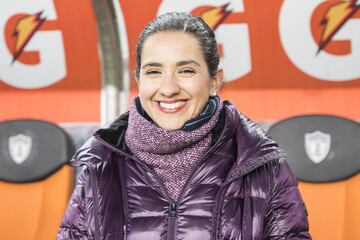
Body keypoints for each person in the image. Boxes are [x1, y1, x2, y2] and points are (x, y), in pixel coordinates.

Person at [57, 12, 311, 240]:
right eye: (154, 72)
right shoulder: (101, 162)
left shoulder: (261, 164)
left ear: (215, 81)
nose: (168, 89)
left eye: (186, 71)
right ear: (138, 79)